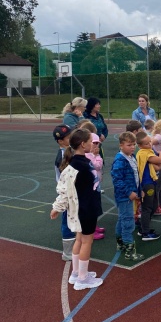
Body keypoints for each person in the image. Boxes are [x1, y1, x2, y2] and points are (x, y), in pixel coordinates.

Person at [50, 129, 103, 290]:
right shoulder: (77, 166)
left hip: (86, 207)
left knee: (79, 239)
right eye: (90, 141)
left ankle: (76, 273)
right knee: (86, 241)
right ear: (83, 144)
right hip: (85, 209)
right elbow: (64, 189)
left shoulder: (83, 161)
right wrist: (57, 207)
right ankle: (82, 279)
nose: (93, 144)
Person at [111, 132, 144, 261]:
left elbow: (136, 176)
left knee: (122, 219)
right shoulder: (120, 161)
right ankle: (129, 251)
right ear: (121, 145)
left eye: (133, 144)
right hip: (124, 197)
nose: (132, 147)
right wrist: (129, 192)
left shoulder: (132, 157)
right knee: (128, 222)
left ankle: (121, 244)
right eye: (129, 145)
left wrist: (139, 190)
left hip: (129, 194)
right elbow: (117, 180)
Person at [53, 124, 76, 260]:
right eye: (68, 137)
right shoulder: (63, 156)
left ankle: (74, 247)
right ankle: (68, 252)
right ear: (60, 141)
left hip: (72, 191)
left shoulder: (69, 151)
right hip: (67, 193)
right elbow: (66, 178)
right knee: (68, 220)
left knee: (73, 218)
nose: (71, 138)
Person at [135, 131, 161, 241]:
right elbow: (160, 160)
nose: (149, 144)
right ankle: (145, 232)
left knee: (154, 206)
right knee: (147, 208)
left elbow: (158, 167)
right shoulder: (144, 153)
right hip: (147, 184)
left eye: (150, 142)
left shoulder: (148, 153)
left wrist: (158, 161)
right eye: (146, 143)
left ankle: (144, 227)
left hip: (152, 182)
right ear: (140, 145)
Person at [85, 133, 106, 239]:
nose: (96, 146)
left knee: (96, 206)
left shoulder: (93, 155)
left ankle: (94, 226)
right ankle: (90, 230)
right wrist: (96, 156)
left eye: (98, 143)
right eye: (95, 143)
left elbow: (100, 165)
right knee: (91, 208)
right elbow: (97, 165)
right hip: (91, 186)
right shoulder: (87, 156)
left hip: (96, 184)